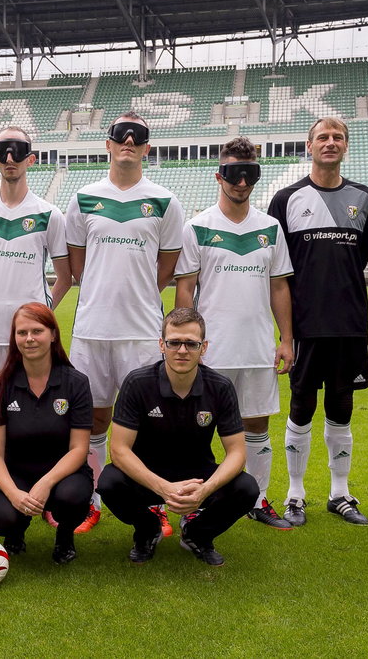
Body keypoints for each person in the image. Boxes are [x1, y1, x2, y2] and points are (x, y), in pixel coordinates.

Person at [65, 112, 184, 535]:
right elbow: (78, 266)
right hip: (92, 330)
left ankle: (152, 505)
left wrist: (136, 295)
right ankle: (94, 502)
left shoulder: (166, 201)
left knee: (149, 421)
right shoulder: (82, 198)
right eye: (121, 134)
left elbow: (166, 268)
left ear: (148, 147)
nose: (129, 140)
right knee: (94, 422)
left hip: (141, 330)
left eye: (139, 136)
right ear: (109, 144)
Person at [175, 136, 295, 531]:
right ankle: (196, 500)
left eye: (249, 174)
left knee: (257, 425)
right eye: (232, 173)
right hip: (211, 350)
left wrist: (286, 339)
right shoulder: (198, 226)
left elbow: (279, 287)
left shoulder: (271, 228)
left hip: (257, 348)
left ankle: (258, 500)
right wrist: (186, 341)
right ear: (219, 175)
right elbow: (186, 289)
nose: (241, 182)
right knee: (197, 430)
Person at [268, 117, 368, 527]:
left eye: (338, 138)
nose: (330, 143)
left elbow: (358, 256)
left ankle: (340, 493)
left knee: (341, 409)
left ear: (346, 146)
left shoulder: (363, 197)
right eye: (322, 138)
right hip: (305, 327)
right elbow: (279, 271)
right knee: (301, 408)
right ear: (309, 146)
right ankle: (295, 494)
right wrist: (287, 334)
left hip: (349, 325)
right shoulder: (287, 198)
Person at [0, 127, 72, 527]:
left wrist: (41, 313)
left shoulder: (49, 214)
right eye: (3, 152)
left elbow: (64, 276)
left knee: (42, 412)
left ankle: (47, 494)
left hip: (34, 337)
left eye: (19, 150)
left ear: (31, 158)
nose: (10, 158)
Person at [97, 308, 258, 566]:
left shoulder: (220, 386)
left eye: (191, 344)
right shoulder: (137, 383)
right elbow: (119, 450)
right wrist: (163, 488)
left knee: (247, 488)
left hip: (197, 475)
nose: (182, 350)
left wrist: (205, 489)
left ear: (203, 347)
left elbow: (237, 452)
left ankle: (198, 534)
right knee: (109, 482)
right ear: (162, 344)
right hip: (147, 475)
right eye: (174, 342)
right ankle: (148, 530)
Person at [0, 303, 92, 564]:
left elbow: (79, 448)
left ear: (53, 334)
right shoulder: (0, 385)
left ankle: (65, 537)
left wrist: (46, 483)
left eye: (37, 331)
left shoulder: (76, 383)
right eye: (22, 333)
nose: (29, 339)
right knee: (3, 519)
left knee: (71, 497)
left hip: (63, 474)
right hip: (17, 475)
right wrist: (13, 493)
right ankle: (15, 533)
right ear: (14, 338)